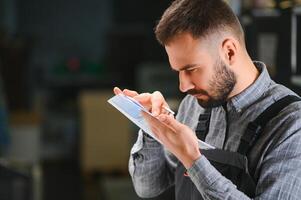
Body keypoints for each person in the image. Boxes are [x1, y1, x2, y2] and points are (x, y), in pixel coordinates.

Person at [113, 0, 301, 199]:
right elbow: (149, 187)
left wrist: (193, 160)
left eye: (191, 69)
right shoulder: (192, 106)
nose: (183, 87)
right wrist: (151, 125)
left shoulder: (291, 124)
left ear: (229, 52)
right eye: (178, 71)